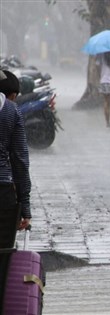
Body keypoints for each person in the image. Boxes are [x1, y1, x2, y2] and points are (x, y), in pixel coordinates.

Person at [0, 70, 32, 308]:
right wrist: (25, 204)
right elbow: (20, 159)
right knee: (2, 256)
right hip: (3, 192)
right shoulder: (11, 112)